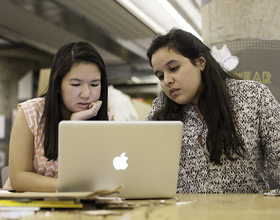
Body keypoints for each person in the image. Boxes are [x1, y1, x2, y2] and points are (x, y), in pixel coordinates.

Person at [146, 28, 280, 194]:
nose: (167, 80)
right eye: (160, 76)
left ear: (200, 62)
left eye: (173, 68)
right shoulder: (159, 113)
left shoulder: (253, 97)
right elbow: (147, 175)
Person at [4, 41, 113, 192]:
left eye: (94, 85)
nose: (87, 94)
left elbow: (102, 175)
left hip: (77, 206)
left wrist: (75, 124)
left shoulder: (107, 121)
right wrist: (70, 188)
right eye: (76, 84)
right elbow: (19, 179)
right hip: (25, 207)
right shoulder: (31, 112)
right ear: (57, 85)